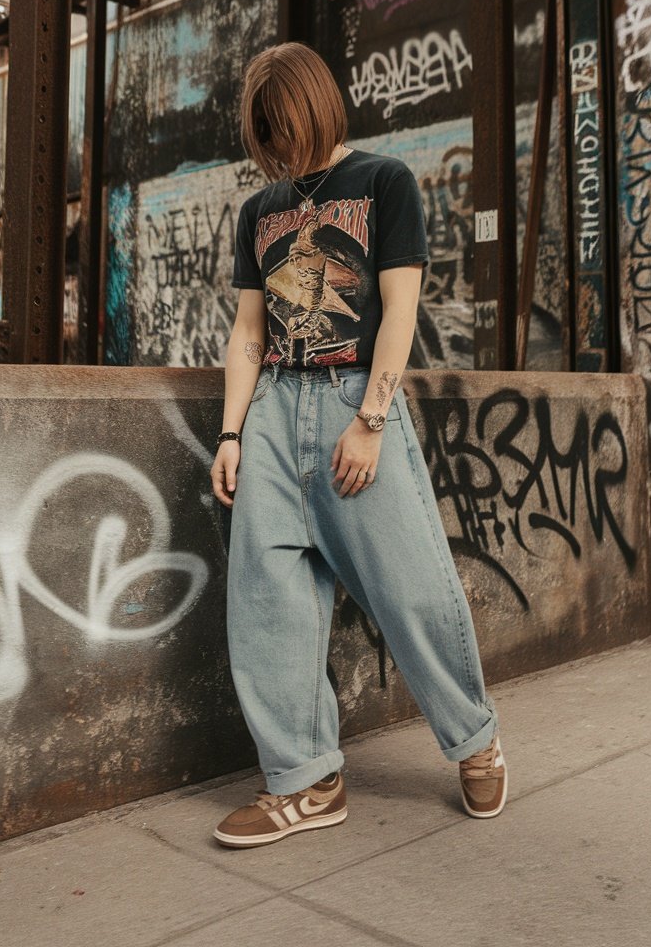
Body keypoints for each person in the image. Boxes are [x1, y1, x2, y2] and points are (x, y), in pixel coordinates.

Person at [210, 41, 507, 848]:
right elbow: (247, 331)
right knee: (267, 601)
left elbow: (400, 311)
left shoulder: (384, 182)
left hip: (351, 403)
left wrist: (371, 421)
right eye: (266, 133)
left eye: (286, 125)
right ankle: (306, 780)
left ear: (317, 106)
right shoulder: (259, 211)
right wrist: (233, 432)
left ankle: (475, 737)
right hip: (273, 409)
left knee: (410, 588)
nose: (279, 147)